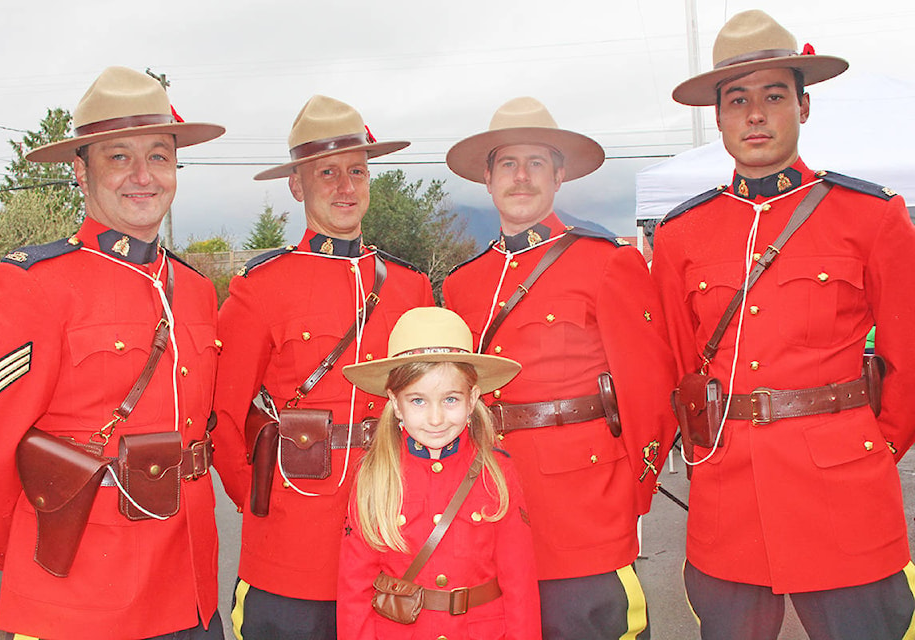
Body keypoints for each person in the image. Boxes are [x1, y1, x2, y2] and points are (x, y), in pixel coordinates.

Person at [651, 10, 915, 639]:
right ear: (717, 117)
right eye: (737, 100)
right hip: (729, 495)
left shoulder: (871, 217)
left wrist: (871, 450)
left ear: (803, 105)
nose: (756, 115)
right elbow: (677, 361)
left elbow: (909, 356)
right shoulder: (682, 234)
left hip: (846, 496)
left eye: (774, 96)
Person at [0, 66, 226, 639]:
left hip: (190, 587)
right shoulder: (29, 285)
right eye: (118, 157)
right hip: (80, 596)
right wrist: (34, 546)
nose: (143, 176)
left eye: (158, 155)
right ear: (80, 171)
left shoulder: (196, 290)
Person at [442, 97, 678, 639]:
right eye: (507, 163)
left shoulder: (607, 262)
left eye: (536, 163)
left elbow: (650, 396)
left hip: (584, 514)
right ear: (487, 177)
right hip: (488, 508)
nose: (521, 177)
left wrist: (627, 501)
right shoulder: (463, 284)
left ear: (559, 175)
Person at [211, 95, 435, 639]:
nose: (345, 187)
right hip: (292, 544)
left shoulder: (410, 287)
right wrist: (268, 497)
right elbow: (220, 415)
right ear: (296, 185)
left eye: (357, 171)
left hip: (393, 528)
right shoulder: (259, 289)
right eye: (326, 172)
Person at [336, 306, 541, 639]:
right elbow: (353, 589)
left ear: (473, 398)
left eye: (450, 399)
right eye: (418, 400)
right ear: (395, 402)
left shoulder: (498, 472)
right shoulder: (374, 476)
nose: (435, 419)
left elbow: (520, 585)